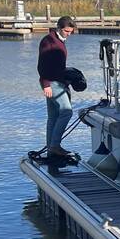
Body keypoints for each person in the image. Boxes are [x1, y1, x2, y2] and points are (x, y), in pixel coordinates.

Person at [38, 16, 77, 157]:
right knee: (67, 112)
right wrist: (46, 84)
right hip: (51, 83)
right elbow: (42, 65)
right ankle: (55, 146)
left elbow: (57, 64)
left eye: (71, 31)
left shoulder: (59, 40)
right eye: (66, 31)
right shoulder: (48, 41)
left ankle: (51, 148)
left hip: (58, 82)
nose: (69, 34)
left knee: (53, 116)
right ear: (59, 28)